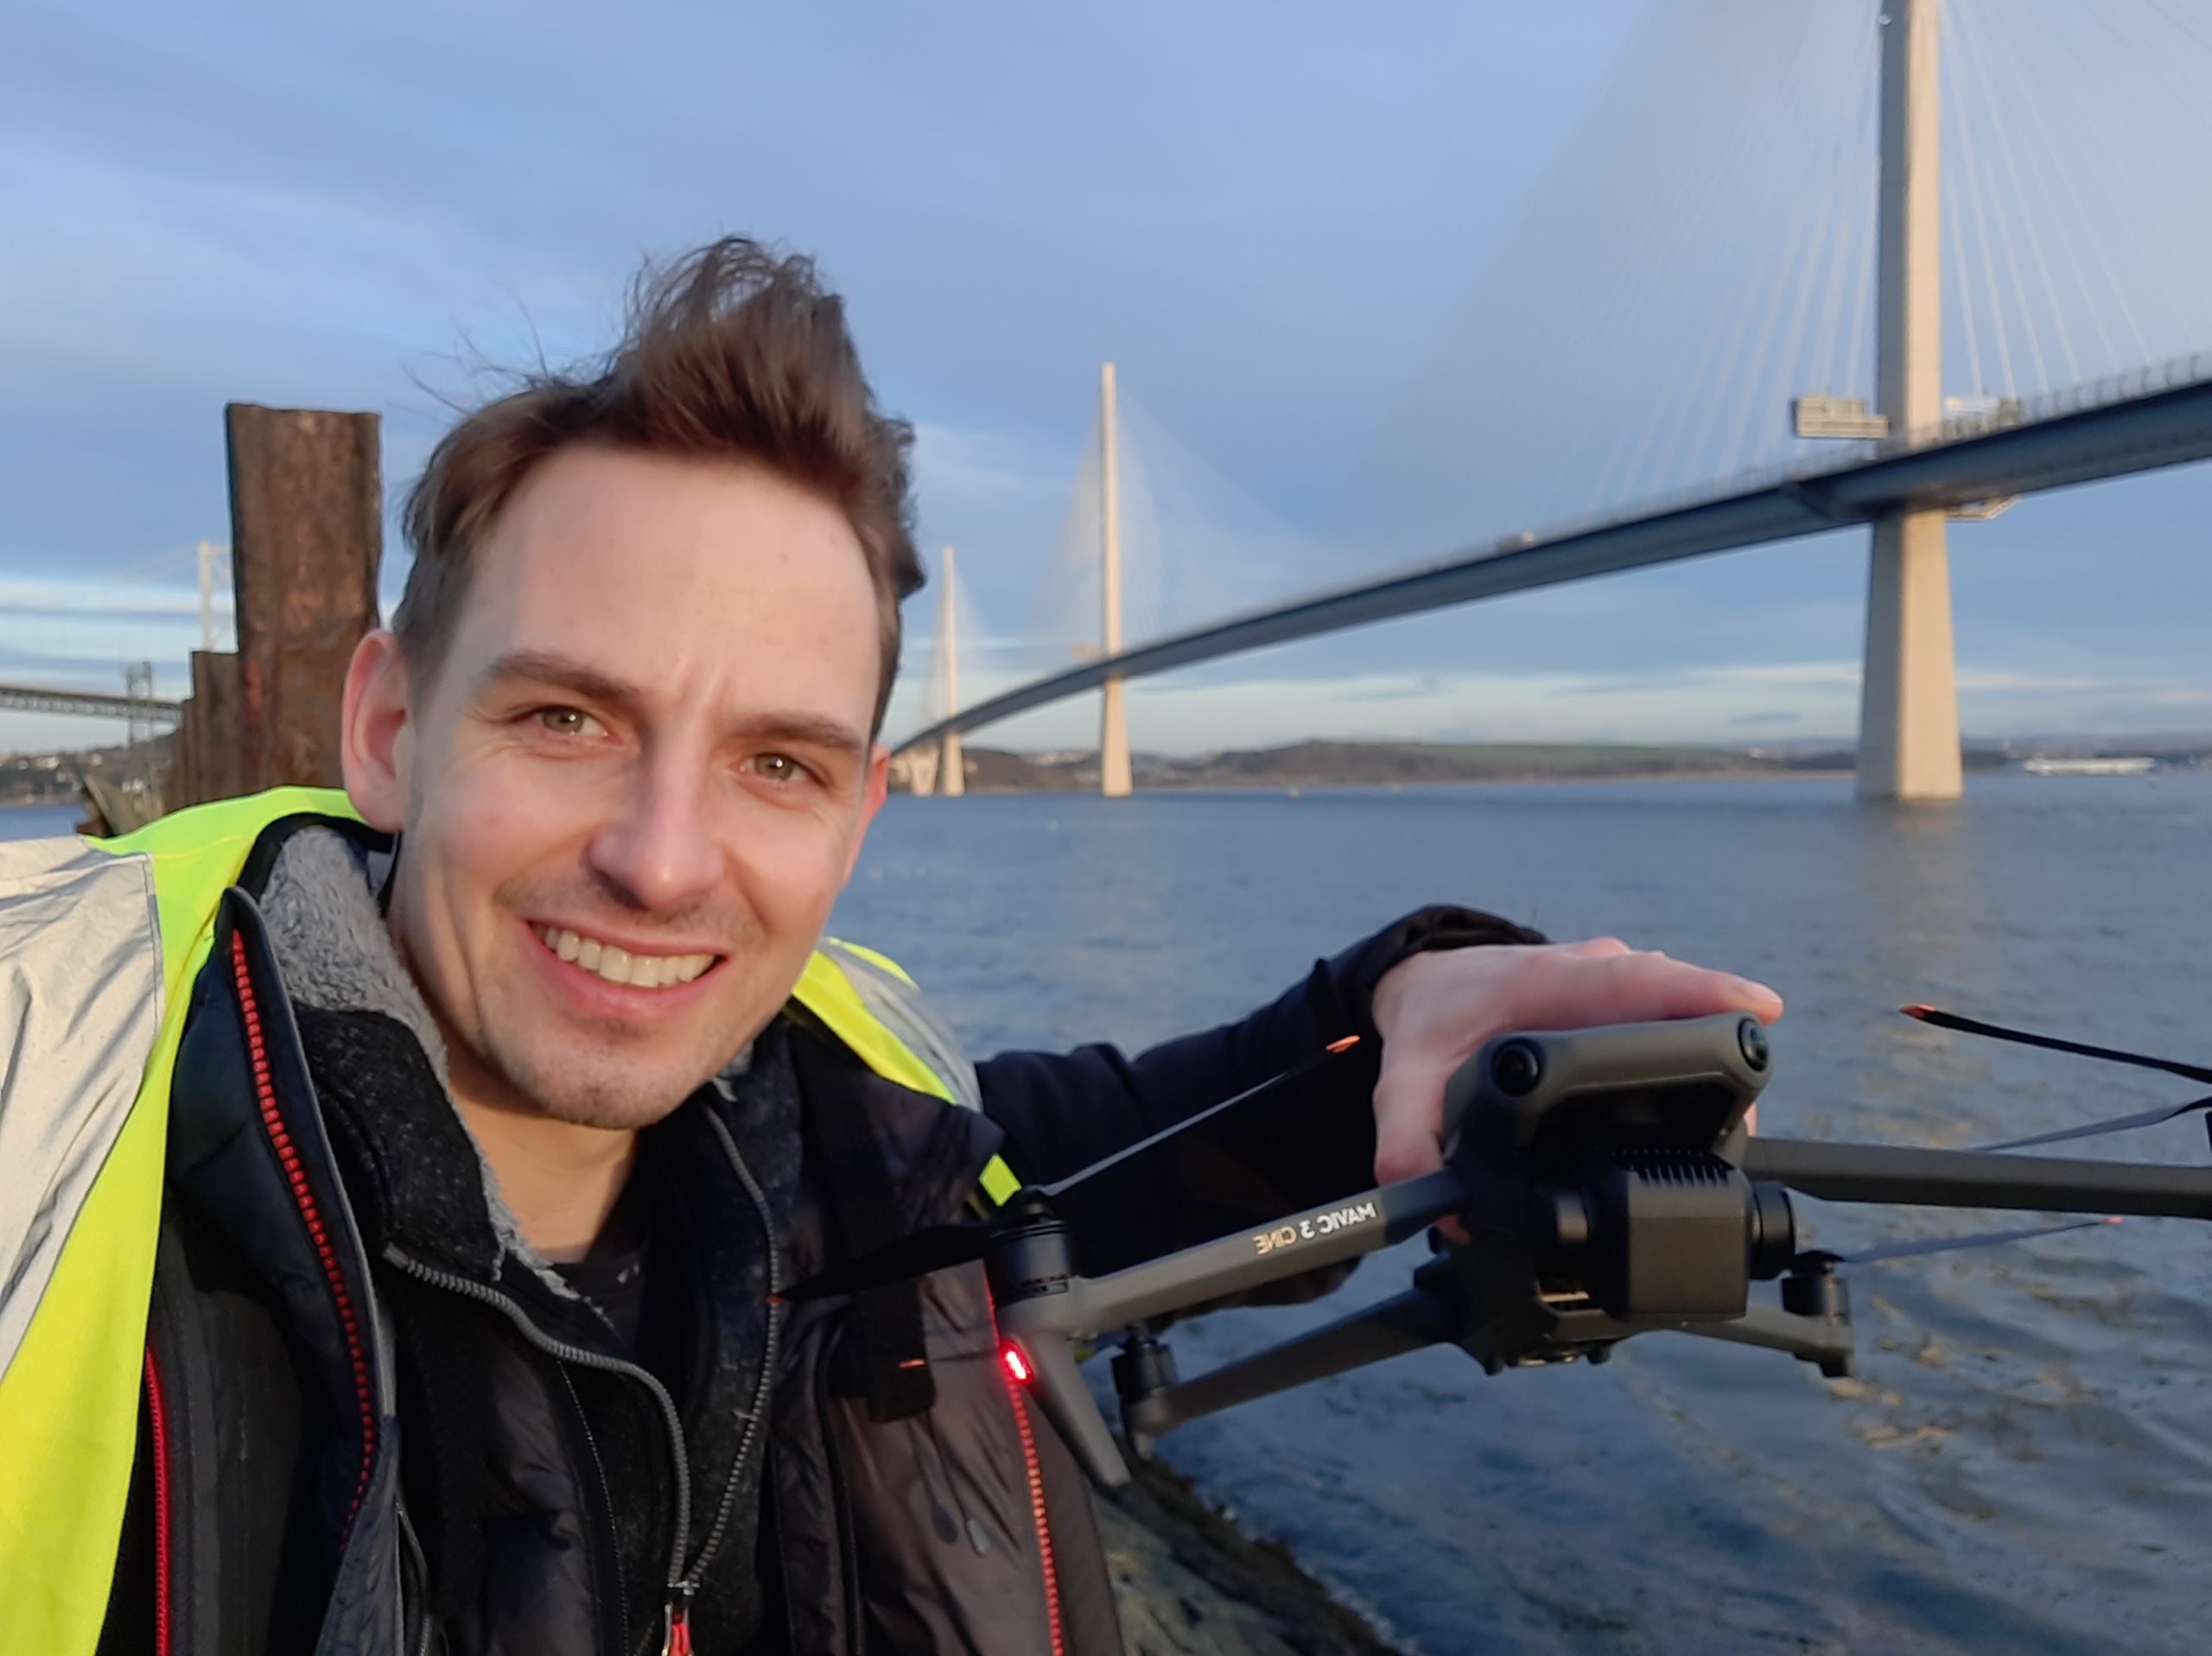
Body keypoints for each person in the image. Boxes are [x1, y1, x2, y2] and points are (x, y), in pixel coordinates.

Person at [0, 238, 1782, 1656]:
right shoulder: (55, 1129)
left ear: (856, 818)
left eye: (775, 763)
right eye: (565, 719)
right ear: (388, 731)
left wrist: (1423, 997)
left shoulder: (858, 1150)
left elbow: (1166, 1139)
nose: (660, 862)